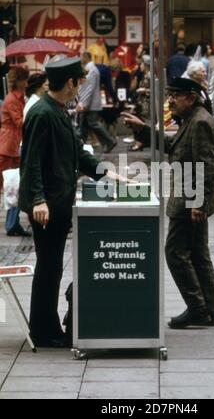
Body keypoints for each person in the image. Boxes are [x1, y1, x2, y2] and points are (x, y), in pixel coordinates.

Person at [19, 57, 120, 348]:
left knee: (52, 267)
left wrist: (107, 172)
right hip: (47, 204)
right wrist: (38, 199)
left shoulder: (59, 111)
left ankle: (48, 327)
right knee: (48, 267)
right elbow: (32, 162)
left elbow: (78, 153)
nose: (81, 87)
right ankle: (43, 330)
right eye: (79, 81)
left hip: (58, 202)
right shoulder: (42, 113)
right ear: (70, 82)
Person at [123, 77, 214, 328]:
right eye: (169, 95)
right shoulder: (192, 118)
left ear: (190, 97)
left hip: (189, 201)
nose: (169, 101)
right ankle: (210, 311)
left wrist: (198, 202)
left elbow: (206, 165)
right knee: (198, 254)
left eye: (174, 95)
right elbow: (172, 145)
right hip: (190, 199)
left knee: (175, 252)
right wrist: (144, 128)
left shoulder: (199, 122)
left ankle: (198, 308)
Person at [0, 66, 31, 237]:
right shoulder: (12, 99)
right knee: (8, 185)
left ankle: (13, 223)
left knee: (14, 185)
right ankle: (12, 223)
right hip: (8, 145)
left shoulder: (19, 98)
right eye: (25, 79)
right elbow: (19, 122)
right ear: (18, 81)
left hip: (13, 145)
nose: (26, 83)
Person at [77, 52, 117, 153]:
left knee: (91, 123)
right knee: (84, 124)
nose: (81, 59)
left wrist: (84, 103)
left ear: (86, 58)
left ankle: (109, 141)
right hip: (89, 103)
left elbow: (89, 88)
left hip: (90, 104)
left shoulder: (91, 70)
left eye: (82, 57)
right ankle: (81, 145)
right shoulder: (91, 69)